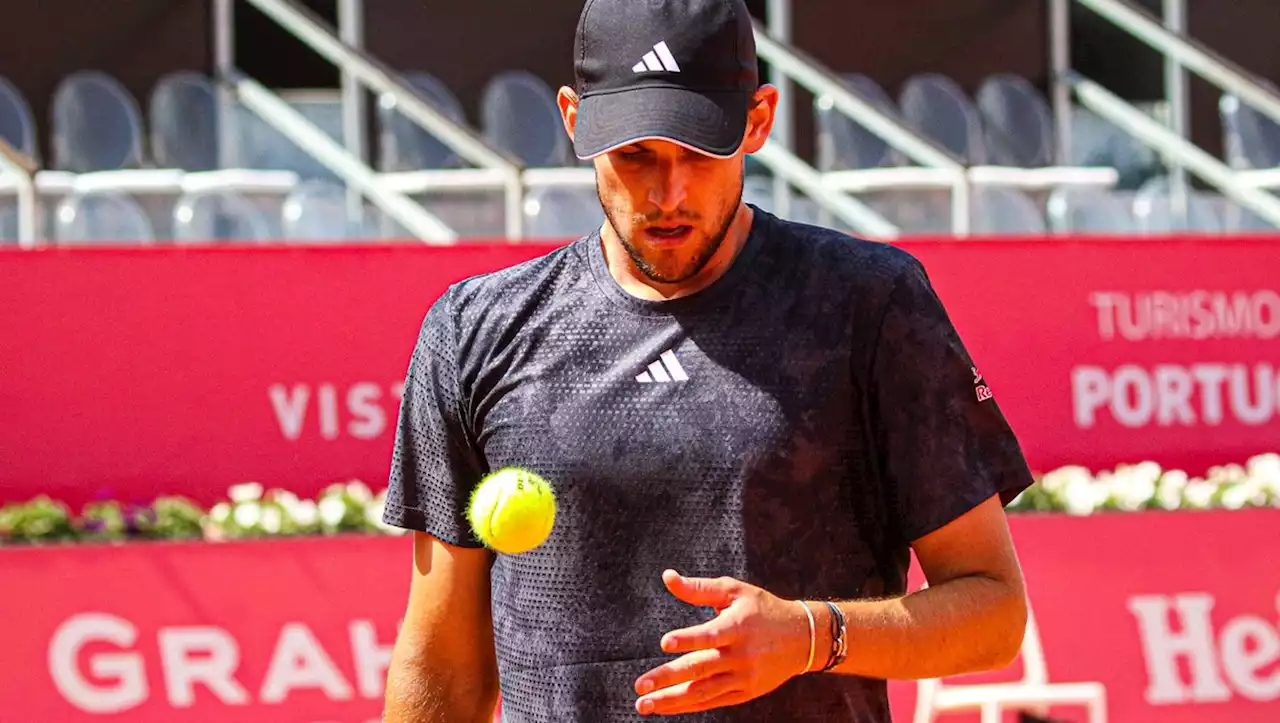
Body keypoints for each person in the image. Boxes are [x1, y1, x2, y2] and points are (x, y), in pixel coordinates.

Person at [380, 0, 1035, 720]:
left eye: (700, 151)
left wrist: (814, 636)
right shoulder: (476, 329)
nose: (669, 195)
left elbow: (994, 610)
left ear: (758, 120)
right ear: (574, 121)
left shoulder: (869, 306)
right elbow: (442, 654)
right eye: (635, 156)